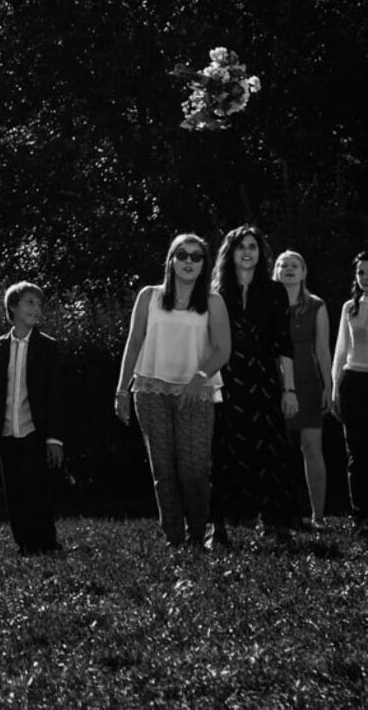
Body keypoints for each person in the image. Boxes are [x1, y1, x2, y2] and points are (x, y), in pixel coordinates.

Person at [114, 234, 230, 548]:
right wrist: (122, 390)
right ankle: (174, 540)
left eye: (196, 256)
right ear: (171, 260)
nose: (189, 261)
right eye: (182, 255)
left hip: (197, 392)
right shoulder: (149, 296)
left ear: (204, 264)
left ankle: (197, 535)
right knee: (163, 469)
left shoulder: (213, 300)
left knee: (193, 468)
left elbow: (222, 349)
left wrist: (198, 379)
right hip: (150, 390)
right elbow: (134, 342)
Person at [209, 224, 297, 546]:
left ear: (260, 254)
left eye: (253, 246)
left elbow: (284, 344)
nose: (247, 251)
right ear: (230, 253)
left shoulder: (274, 292)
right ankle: (217, 527)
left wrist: (289, 390)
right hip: (227, 378)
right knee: (223, 449)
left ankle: (275, 523)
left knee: (271, 450)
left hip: (263, 380)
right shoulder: (217, 293)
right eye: (241, 246)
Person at [0, 281, 65, 554]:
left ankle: (46, 542)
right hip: (6, 432)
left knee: (36, 488)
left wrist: (54, 438)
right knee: (14, 492)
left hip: (35, 432)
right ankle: (24, 544)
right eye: (30, 303)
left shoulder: (48, 348)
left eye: (39, 305)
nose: (36, 309)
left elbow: (55, 396)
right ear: (13, 307)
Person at [274, 250, 330, 528]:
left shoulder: (316, 305)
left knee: (311, 447)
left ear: (304, 272)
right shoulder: (268, 304)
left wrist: (328, 386)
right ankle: (278, 515)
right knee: (277, 451)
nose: (289, 269)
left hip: (309, 383)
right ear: (275, 271)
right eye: (283, 264)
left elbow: (322, 348)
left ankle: (317, 517)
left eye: (295, 265)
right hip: (275, 384)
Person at [329, 251, 368, 536]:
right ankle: (360, 517)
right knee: (356, 451)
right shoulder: (349, 308)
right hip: (353, 382)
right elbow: (341, 350)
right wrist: (335, 387)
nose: (365, 278)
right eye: (361, 273)